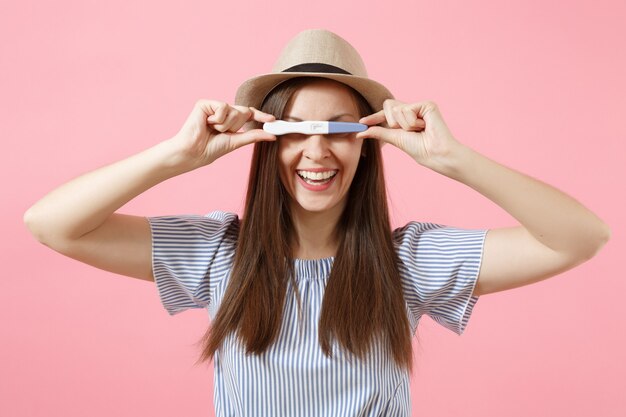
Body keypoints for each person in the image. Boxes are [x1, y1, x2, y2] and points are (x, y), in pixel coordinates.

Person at [23, 29, 610, 416]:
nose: (316, 152)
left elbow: (581, 238)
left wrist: (453, 160)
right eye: (295, 131)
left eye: (338, 131)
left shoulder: (407, 262)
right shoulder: (214, 253)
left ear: (367, 145)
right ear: (264, 140)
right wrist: (175, 155)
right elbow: (53, 224)